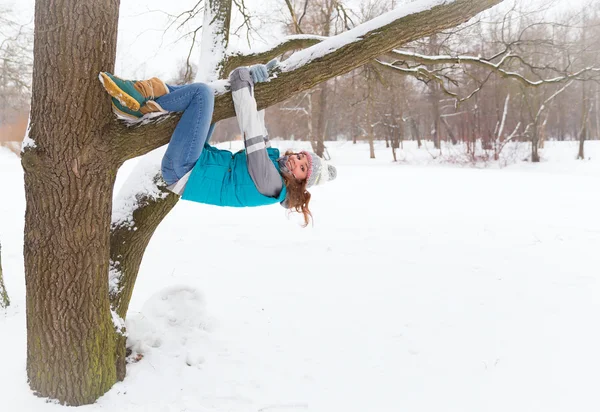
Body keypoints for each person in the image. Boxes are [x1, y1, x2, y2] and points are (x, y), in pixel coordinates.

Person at [98, 63, 336, 226]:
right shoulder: (274, 164)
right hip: (196, 161)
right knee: (213, 94)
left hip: (185, 171)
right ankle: (146, 97)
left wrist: (242, 79)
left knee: (202, 94)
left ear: (299, 181)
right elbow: (258, 122)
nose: (297, 161)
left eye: (302, 168)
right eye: (302, 157)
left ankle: (144, 99)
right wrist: (258, 81)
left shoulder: (272, 185)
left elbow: (251, 129)